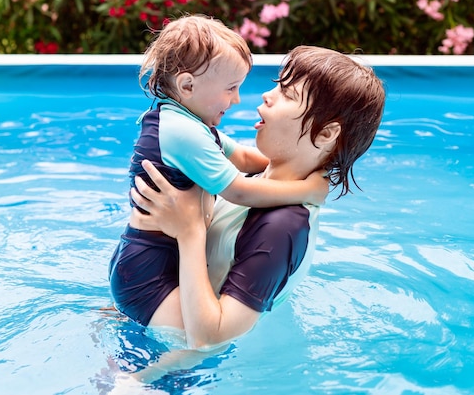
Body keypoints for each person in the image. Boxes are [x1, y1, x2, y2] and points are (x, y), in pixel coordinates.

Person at [128, 45, 386, 350]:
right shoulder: (253, 183)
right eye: (278, 86)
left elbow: (209, 341)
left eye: (288, 95)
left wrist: (190, 231)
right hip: (153, 325)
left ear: (327, 134)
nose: (267, 95)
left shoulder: (281, 227)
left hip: (184, 370)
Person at [108, 16, 328, 328]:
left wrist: (292, 165)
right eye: (230, 88)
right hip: (148, 271)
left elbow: (240, 157)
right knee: (186, 348)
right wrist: (306, 190)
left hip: (148, 258)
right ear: (187, 85)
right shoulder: (182, 133)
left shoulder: (185, 122)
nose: (237, 99)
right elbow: (238, 190)